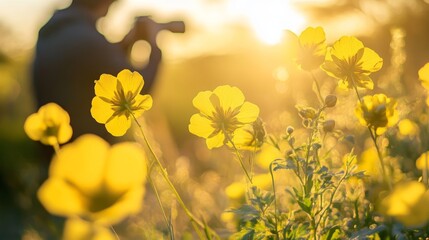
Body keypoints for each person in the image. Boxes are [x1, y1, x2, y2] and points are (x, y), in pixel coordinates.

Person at [32, 0, 164, 143]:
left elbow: (88, 65)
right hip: (89, 149)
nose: (108, 12)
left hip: (54, 147)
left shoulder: (53, 32)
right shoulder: (90, 40)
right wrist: (155, 44)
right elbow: (142, 87)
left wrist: (127, 41)